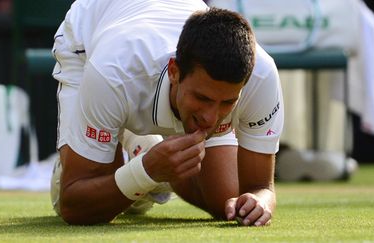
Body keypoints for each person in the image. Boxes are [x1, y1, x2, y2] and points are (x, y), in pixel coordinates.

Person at [50, 0, 283, 227]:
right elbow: (75, 204)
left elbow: (261, 186)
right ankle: (134, 144)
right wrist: (147, 170)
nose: (211, 118)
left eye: (228, 102)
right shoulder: (111, 73)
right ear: (174, 71)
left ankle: (148, 150)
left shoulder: (261, 77)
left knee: (228, 201)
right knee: (89, 207)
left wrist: (260, 201)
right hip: (87, 39)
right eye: (203, 98)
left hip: (138, 50)